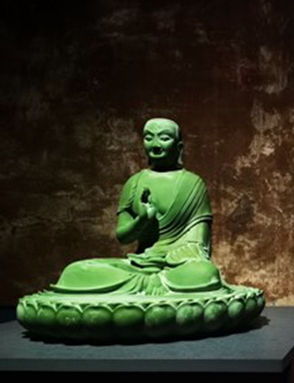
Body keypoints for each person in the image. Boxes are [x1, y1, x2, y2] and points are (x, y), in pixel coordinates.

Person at [51, 118, 222, 295]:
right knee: (75, 271)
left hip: (177, 266)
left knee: (205, 273)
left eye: (164, 138)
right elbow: (123, 237)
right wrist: (142, 220)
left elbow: (198, 244)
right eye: (148, 138)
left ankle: (148, 284)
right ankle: (149, 284)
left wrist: (167, 259)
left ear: (179, 147)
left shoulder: (193, 184)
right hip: (140, 263)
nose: (155, 145)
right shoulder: (134, 183)